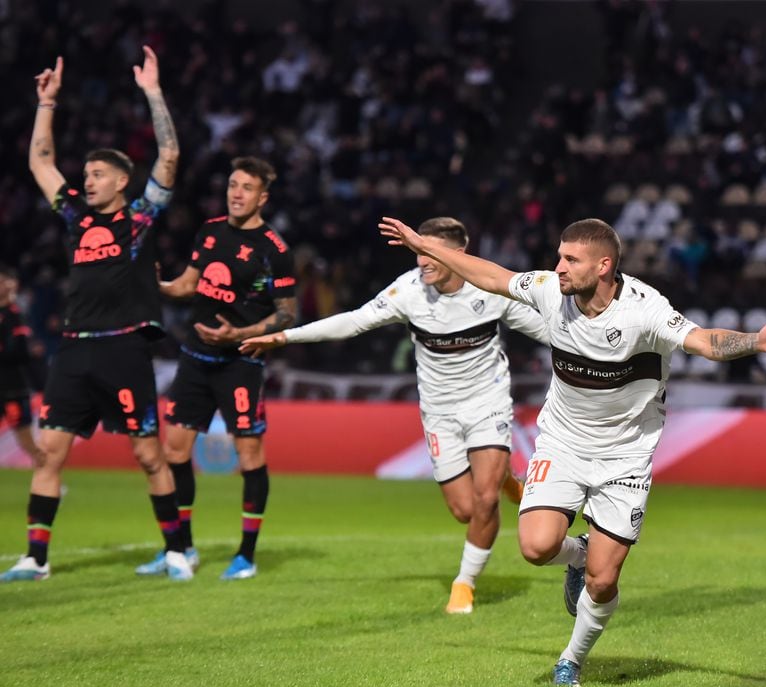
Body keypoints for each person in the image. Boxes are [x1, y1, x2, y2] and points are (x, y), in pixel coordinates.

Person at [379, 215, 766, 686]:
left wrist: (754, 342)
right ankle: (575, 555)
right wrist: (425, 246)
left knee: (603, 581)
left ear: (603, 266)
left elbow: (702, 339)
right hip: (562, 443)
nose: (557, 266)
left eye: (569, 259)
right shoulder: (549, 290)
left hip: (626, 455)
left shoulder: (644, 309)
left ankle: (571, 659)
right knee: (536, 547)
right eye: (559, 256)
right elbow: (492, 275)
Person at [241, 217, 549, 613]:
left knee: (485, 500)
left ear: (457, 254)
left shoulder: (489, 290)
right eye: (416, 252)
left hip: (487, 404)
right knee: (465, 511)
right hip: (438, 412)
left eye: (428, 252)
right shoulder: (409, 290)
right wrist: (285, 336)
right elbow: (354, 321)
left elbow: (548, 332)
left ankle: (464, 583)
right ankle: (505, 478)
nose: (421, 262)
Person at [1, 47, 192, 582]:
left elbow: (170, 158)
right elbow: (40, 162)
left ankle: (177, 551)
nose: (87, 180)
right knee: (47, 455)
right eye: (85, 173)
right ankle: (35, 558)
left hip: (125, 345)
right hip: (74, 348)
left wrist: (153, 92)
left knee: (149, 456)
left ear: (121, 183)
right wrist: (47, 103)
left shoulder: (141, 218)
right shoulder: (76, 219)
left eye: (98, 173)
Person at [136, 157, 297, 581]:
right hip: (195, 357)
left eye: (246, 187)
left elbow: (287, 316)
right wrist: (159, 285)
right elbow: (188, 285)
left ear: (263, 197)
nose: (236, 193)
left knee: (249, 456)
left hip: (240, 363)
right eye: (232, 184)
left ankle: (246, 555)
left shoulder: (274, 251)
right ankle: (182, 548)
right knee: (174, 451)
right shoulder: (209, 232)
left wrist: (238, 334)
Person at [0, 266, 43, 469]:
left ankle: (51, 483)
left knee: (26, 440)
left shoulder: (15, 314)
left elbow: (21, 351)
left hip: (14, 387)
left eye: (2, 282)